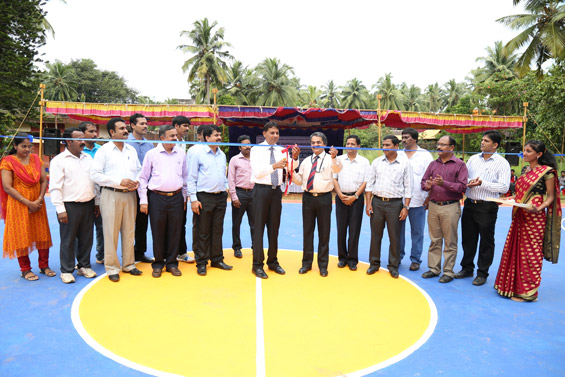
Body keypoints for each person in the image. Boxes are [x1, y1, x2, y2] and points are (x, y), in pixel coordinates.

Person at [494, 140, 561, 302]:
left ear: (539, 154)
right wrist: (508, 199)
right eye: (524, 150)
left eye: (528, 151)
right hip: (520, 214)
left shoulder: (548, 172)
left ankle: (529, 292)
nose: (524, 153)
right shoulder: (524, 170)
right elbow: (519, 194)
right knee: (516, 248)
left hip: (535, 216)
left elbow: (551, 196)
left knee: (531, 253)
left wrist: (540, 207)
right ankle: (512, 287)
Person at [91, 117, 143, 282]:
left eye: (125, 128)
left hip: (130, 194)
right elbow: (95, 175)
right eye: (121, 128)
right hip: (111, 194)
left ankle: (129, 265)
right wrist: (117, 182)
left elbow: (140, 170)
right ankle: (112, 267)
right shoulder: (104, 151)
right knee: (111, 232)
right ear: (112, 132)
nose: (125, 131)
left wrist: (137, 181)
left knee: (129, 231)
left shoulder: (131, 150)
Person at [456, 131, 510, 286]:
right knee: (468, 238)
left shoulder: (502, 163)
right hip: (470, 204)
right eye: (482, 140)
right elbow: (463, 178)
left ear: (495, 145)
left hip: (487, 206)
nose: (482, 142)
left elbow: (504, 186)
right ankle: (467, 268)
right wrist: (469, 182)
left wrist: (482, 183)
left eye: (486, 141)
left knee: (486, 241)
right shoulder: (473, 159)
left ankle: (482, 273)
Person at [0, 133, 53, 281]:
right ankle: (25, 269)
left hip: (38, 203)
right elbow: (7, 187)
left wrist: (39, 199)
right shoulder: (8, 162)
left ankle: (44, 266)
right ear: (15, 146)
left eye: (30, 146)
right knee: (21, 234)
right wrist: (28, 202)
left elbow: (43, 181)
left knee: (42, 233)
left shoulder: (36, 159)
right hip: (18, 204)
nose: (27, 149)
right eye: (24, 146)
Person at [250, 122, 299, 279]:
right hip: (261, 191)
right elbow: (257, 173)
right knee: (258, 229)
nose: (275, 135)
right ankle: (257, 265)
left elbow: (290, 168)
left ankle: (273, 261)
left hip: (275, 192)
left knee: (274, 228)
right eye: (272, 133)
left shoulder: (281, 150)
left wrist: (295, 158)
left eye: (277, 133)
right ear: (264, 134)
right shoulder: (256, 150)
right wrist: (274, 166)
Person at [49, 128, 98, 284]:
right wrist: (60, 209)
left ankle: (84, 266)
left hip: (88, 204)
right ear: (69, 142)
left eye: (83, 138)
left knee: (86, 238)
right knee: (68, 239)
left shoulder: (88, 159)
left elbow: (94, 182)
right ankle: (67, 270)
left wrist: (96, 202)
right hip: (69, 206)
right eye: (79, 139)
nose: (83, 141)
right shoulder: (59, 160)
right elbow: (55, 187)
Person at [138, 125, 188, 278]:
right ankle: (158, 263)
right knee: (158, 232)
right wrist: (144, 201)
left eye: (175, 136)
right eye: (171, 135)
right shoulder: (152, 154)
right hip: (156, 198)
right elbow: (142, 178)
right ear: (162, 138)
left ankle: (172, 263)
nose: (175, 138)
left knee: (175, 231)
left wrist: (184, 198)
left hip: (176, 198)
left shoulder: (181, 153)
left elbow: (185, 177)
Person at [292, 132, 342, 277]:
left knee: (324, 233)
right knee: (307, 232)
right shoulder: (306, 160)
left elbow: (338, 170)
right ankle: (306, 264)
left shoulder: (331, 160)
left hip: (324, 199)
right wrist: (290, 173)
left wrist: (334, 158)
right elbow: (299, 180)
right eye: (313, 142)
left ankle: (323, 266)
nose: (315, 145)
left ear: (324, 144)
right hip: (308, 198)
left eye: (318, 142)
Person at [420, 135, 468, 283]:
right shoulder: (433, 164)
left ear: (451, 147)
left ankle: (448, 271)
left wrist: (444, 184)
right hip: (433, 206)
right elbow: (423, 181)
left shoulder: (460, 165)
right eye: (438, 144)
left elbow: (462, 187)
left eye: (443, 145)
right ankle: (434, 269)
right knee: (434, 240)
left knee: (450, 240)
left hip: (450, 206)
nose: (439, 147)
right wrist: (426, 186)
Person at [365, 135, 412, 279]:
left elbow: (409, 186)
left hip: (395, 204)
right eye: (383, 145)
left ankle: (393, 266)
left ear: (396, 146)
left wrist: (406, 207)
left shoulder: (404, 164)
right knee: (375, 235)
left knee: (395, 237)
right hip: (377, 203)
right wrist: (368, 203)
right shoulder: (377, 162)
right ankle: (374, 264)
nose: (384, 148)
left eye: (387, 145)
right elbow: (370, 184)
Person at [188, 124, 232, 276]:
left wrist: (225, 188)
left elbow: (223, 174)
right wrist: (193, 199)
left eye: (220, 135)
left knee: (217, 229)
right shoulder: (197, 153)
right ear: (207, 138)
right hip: (203, 197)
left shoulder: (221, 154)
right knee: (203, 231)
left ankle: (217, 259)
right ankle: (201, 262)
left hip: (220, 197)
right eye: (216, 135)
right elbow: (191, 177)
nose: (219, 138)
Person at [398, 128, 433, 271]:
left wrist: (429, 196)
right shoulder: (398, 154)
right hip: (399, 200)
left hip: (418, 200)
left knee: (417, 232)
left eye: (406, 137)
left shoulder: (425, 155)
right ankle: (397, 256)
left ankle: (415, 259)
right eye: (403, 137)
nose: (403, 140)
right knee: (397, 231)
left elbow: (430, 176)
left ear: (415, 139)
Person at [332, 134, 369, 271]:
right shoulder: (339, 159)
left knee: (354, 230)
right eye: (348, 143)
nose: (350, 146)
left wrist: (355, 196)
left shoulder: (364, 162)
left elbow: (366, 181)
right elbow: (334, 178)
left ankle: (352, 259)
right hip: (341, 198)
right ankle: (342, 258)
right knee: (341, 229)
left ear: (358, 146)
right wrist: (340, 194)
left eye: (353, 144)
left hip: (357, 199)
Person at [178, 124, 208, 264]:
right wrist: (192, 196)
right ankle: (196, 253)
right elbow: (190, 175)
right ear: (203, 135)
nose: (219, 138)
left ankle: (209, 253)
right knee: (198, 226)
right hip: (195, 192)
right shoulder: (194, 150)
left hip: (214, 194)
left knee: (212, 227)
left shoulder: (218, 151)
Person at [127, 113, 154, 263]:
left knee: (143, 222)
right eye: (141, 123)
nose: (145, 126)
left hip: (145, 189)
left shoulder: (149, 145)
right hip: (129, 188)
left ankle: (140, 252)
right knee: (128, 223)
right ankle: (127, 253)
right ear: (132, 125)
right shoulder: (125, 143)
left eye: (146, 123)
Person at [78, 121, 104, 264]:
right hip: (83, 194)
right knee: (82, 231)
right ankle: (81, 260)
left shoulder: (102, 150)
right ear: (82, 134)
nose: (95, 134)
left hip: (100, 194)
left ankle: (101, 255)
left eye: (96, 131)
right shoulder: (77, 151)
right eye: (91, 131)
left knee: (101, 227)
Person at [228, 135, 255, 258]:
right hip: (240, 193)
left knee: (255, 223)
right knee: (236, 223)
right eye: (244, 145)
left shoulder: (256, 159)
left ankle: (256, 246)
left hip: (254, 194)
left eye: (249, 144)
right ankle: (237, 247)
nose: (247, 147)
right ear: (239, 147)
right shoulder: (235, 160)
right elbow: (231, 179)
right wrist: (234, 197)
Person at [172, 115, 194, 264]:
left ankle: (181, 252)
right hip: (166, 190)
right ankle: (169, 253)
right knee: (168, 223)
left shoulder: (183, 142)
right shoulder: (167, 143)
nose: (187, 129)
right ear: (176, 126)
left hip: (181, 190)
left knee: (181, 222)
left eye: (188, 126)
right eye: (184, 126)